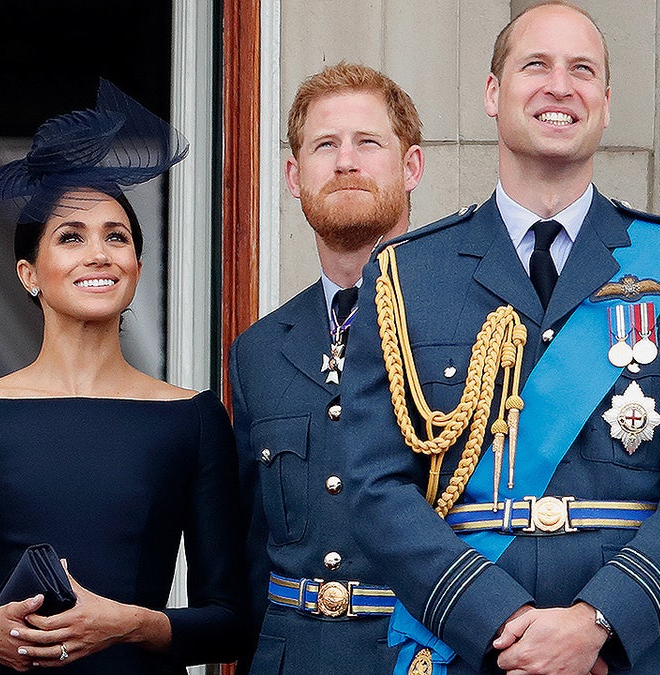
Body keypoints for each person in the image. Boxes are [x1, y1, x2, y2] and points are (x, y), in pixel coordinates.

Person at [340, 2, 660, 673]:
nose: (560, 85)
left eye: (582, 69)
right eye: (536, 65)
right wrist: (499, 619)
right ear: (494, 93)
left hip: (628, 652)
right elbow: (376, 485)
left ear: (606, 102)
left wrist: (597, 621)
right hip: (470, 648)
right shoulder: (406, 274)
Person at [0, 81, 245, 673]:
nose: (99, 253)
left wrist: (131, 623)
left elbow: (232, 621)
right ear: (28, 273)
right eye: (71, 237)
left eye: (117, 237)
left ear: (137, 266)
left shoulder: (193, 418)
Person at [228, 62, 424, 673]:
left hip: (423, 655)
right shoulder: (259, 351)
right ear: (293, 175)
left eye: (368, 142)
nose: (345, 161)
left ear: (411, 166)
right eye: (324, 145)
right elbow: (252, 549)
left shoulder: (476, 326)